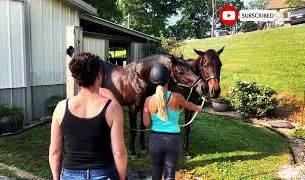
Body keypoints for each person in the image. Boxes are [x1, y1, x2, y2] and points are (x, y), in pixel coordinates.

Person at [49, 52, 127, 180]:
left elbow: (55, 152)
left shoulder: (61, 107)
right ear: (98, 76)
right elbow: (119, 152)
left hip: (70, 174)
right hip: (103, 173)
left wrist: (56, 177)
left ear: (77, 78)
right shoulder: (112, 108)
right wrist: (122, 178)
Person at [143, 64, 203, 180]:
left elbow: (146, 124)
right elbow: (188, 105)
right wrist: (198, 108)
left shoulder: (148, 100)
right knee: (170, 175)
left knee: (156, 171)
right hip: (173, 141)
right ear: (168, 80)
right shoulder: (176, 97)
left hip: (156, 141)